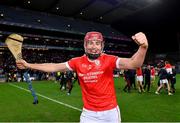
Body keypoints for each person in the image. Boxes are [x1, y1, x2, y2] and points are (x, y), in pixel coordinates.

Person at [16, 31, 148, 123]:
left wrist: (143, 47)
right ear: (85, 45)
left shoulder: (109, 60)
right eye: (90, 43)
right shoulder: (77, 62)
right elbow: (54, 67)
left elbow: (134, 63)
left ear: (102, 46)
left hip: (110, 113)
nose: (94, 46)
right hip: (89, 114)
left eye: (97, 43)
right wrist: (29, 64)